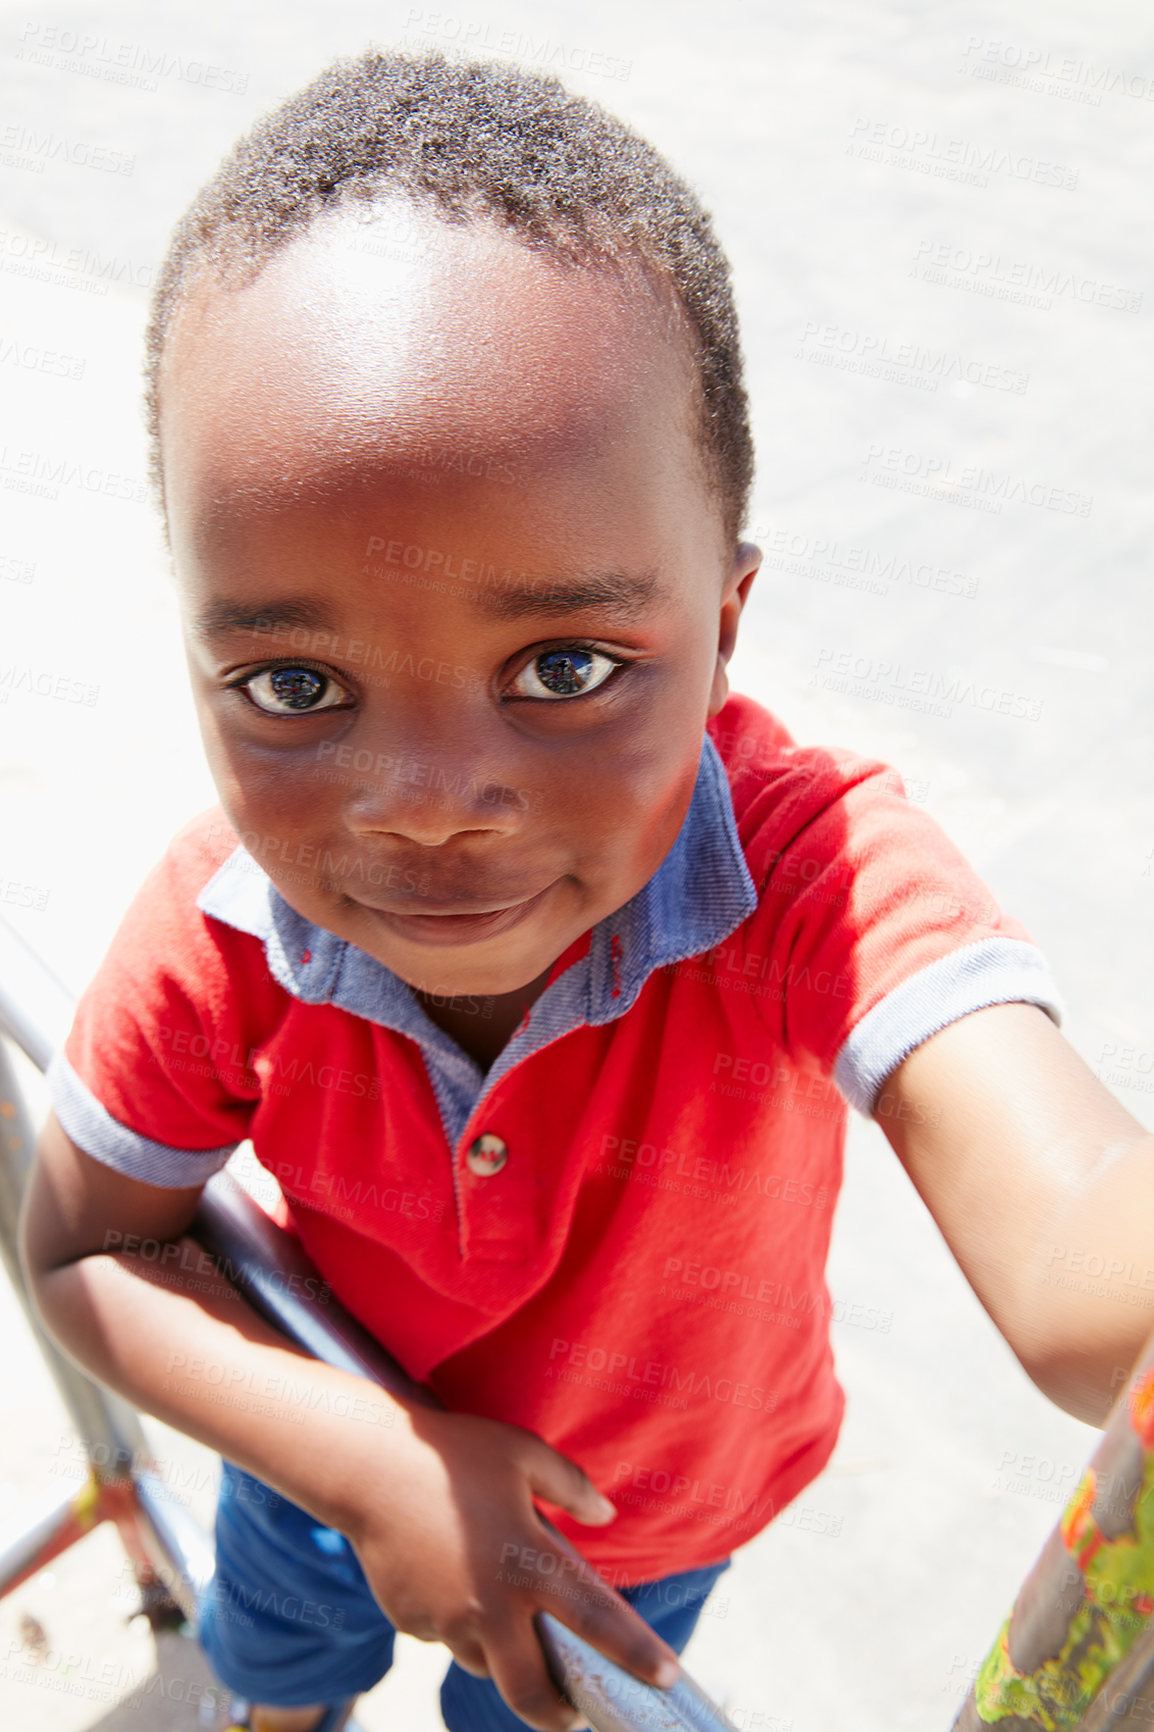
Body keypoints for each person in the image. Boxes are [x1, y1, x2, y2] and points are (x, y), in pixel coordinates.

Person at [17, 48, 1154, 1732]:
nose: (423, 806)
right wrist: (368, 1456)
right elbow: (84, 1247)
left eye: (561, 664)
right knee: (275, 1672)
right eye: (293, 687)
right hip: (313, 1450)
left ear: (723, 634)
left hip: (640, 1530)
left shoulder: (807, 871)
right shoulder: (223, 928)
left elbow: (1075, 1261)